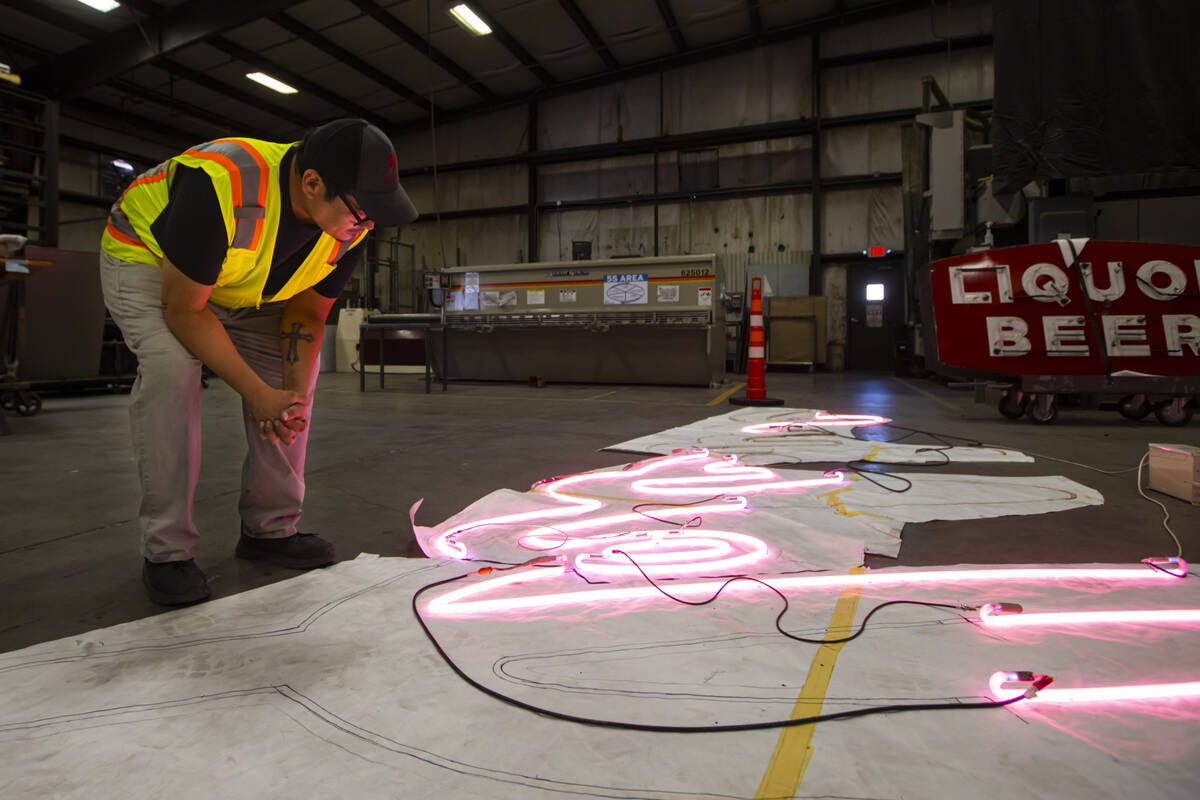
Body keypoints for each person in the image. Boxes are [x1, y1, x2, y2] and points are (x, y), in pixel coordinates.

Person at [99, 118, 418, 605]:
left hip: (242, 282)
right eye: (361, 211)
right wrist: (256, 394)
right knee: (171, 369)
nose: (367, 224)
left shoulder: (348, 225)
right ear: (312, 183)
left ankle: (270, 530)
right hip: (150, 262)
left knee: (296, 384)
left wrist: (285, 397)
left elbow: (309, 313)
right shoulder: (222, 184)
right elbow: (186, 311)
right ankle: (167, 552)